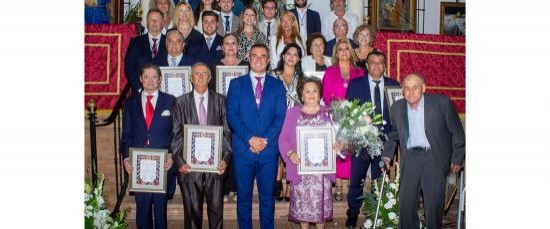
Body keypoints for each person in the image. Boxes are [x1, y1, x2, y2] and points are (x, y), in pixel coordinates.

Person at [381, 73, 465, 229]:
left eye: (415, 87)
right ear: (402, 91)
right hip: (410, 158)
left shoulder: (441, 103)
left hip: (433, 157)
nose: (410, 92)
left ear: (423, 88)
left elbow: (457, 133)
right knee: (406, 204)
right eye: (406, 88)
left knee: (433, 206)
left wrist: (457, 158)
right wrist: (387, 155)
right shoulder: (397, 108)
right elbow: (394, 135)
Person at [226, 44, 287, 229]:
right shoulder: (236, 84)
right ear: (249, 59)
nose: (259, 59)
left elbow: (279, 116)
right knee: (243, 197)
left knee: (267, 198)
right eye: (255, 56)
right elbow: (232, 115)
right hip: (244, 150)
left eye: (263, 56)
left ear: (268, 61)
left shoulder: (277, 85)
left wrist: (264, 140)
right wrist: (250, 139)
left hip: (268, 152)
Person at [171, 63, 232, 229]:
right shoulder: (180, 102)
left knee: (216, 212)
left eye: (204, 74)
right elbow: (176, 136)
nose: (200, 77)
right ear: (191, 78)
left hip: (215, 166)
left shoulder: (221, 101)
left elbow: (227, 133)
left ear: (210, 78)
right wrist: (180, 161)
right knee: (192, 214)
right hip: (190, 167)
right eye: (196, 74)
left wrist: (225, 159)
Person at [344, 50, 400, 228]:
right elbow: (348, 112)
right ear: (366, 66)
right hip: (362, 142)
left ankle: (375, 213)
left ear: (385, 66)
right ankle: (352, 213)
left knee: (379, 181)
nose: (376, 65)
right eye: (372, 62)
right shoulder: (355, 84)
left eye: (380, 62)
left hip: (385, 143)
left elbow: (398, 115)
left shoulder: (394, 85)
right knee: (357, 180)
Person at [121, 63, 175, 229]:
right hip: (140, 165)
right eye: (146, 77)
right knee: (142, 210)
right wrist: (126, 158)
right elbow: (126, 135)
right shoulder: (130, 104)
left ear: (160, 79)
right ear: (140, 79)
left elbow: (176, 133)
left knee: (160, 211)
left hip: (163, 164)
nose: (150, 81)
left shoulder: (171, 101)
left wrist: (172, 153)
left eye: (154, 77)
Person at [278, 77, 335, 229]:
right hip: (301, 169)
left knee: (320, 206)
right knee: (303, 207)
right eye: (307, 91)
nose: (311, 94)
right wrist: (290, 154)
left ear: (320, 94)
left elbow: (338, 136)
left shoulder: (329, 113)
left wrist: (338, 144)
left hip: (322, 172)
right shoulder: (291, 113)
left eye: (315, 91)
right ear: (301, 95)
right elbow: (283, 138)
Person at [321, 38, 363, 202]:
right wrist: (337, 107)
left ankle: (350, 186)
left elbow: (362, 93)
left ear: (351, 52)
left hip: (353, 117)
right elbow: (325, 94)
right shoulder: (330, 71)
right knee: (337, 149)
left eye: (347, 49)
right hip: (335, 116)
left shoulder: (359, 71)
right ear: (336, 53)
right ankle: (337, 185)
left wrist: (353, 110)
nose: (344, 52)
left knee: (351, 149)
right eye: (340, 49)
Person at [270, 43, 305, 201]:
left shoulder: (302, 79)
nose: (291, 57)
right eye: (288, 54)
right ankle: (277, 182)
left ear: (298, 59)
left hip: (295, 120)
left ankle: (290, 184)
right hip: (275, 117)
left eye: (295, 54)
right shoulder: (272, 75)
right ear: (283, 56)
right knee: (277, 151)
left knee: (292, 151)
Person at [125, 9, 168, 94]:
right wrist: (139, 89)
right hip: (140, 92)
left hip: (164, 93)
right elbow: (129, 67)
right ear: (147, 23)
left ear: (163, 23)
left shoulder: (169, 42)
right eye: (151, 19)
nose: (154, 22)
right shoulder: (135, 42)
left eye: (158, 20)